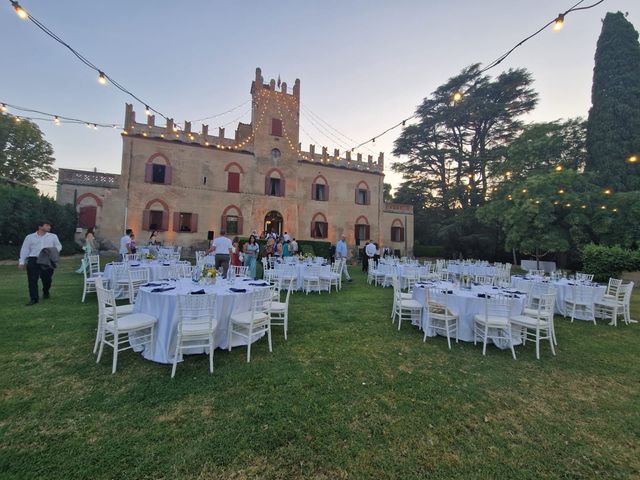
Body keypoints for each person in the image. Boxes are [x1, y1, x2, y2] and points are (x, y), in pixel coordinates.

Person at [19, 220, 62, 305]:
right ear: (40, 227)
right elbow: (25, 249)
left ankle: (46, 290)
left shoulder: (53, 236)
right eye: (47, 225)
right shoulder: (29, 237)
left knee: (47, 279)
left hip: (47, 259)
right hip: (33, 259)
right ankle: (34, 298)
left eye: (49, 225)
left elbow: (59, 246)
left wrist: (51, 251)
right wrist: (21, 261)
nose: (49, 227)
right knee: (32, 280)